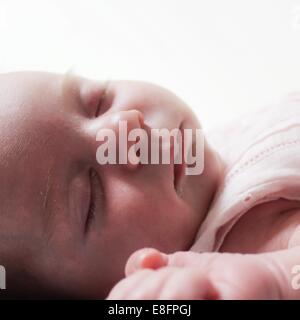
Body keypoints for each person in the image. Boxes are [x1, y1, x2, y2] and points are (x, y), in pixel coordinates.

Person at [0, 71, 299, 299]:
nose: (124, 130)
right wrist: (276, 278)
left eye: (99, 102)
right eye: (90, 196)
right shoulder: (240, 258)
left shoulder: (230, 140)